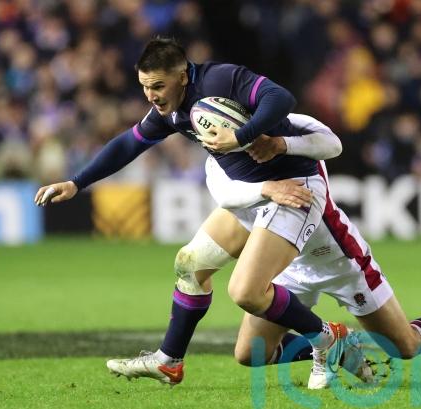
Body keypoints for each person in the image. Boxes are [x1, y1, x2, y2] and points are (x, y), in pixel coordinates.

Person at [35, 37, 357, 384]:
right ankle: (169, 360)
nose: (150, 95)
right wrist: (77, 182)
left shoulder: (220, 80)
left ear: (182, 76)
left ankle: (329, 337)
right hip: (255, 194)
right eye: (144, 87)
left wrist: (243, 135)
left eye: (158, 86)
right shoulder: (169, 111)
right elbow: (130, 143)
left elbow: (280, 99)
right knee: (190, 265)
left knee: (246, 292)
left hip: (290, 189)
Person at [105, 128, 421, 389]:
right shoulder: (232, 161)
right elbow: (229, 202)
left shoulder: (291, 139)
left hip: (338, 259)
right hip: (286, 260)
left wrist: (282, 145)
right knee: (250, 354)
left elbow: (330, 144)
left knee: (403, 346)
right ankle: (335, 343)